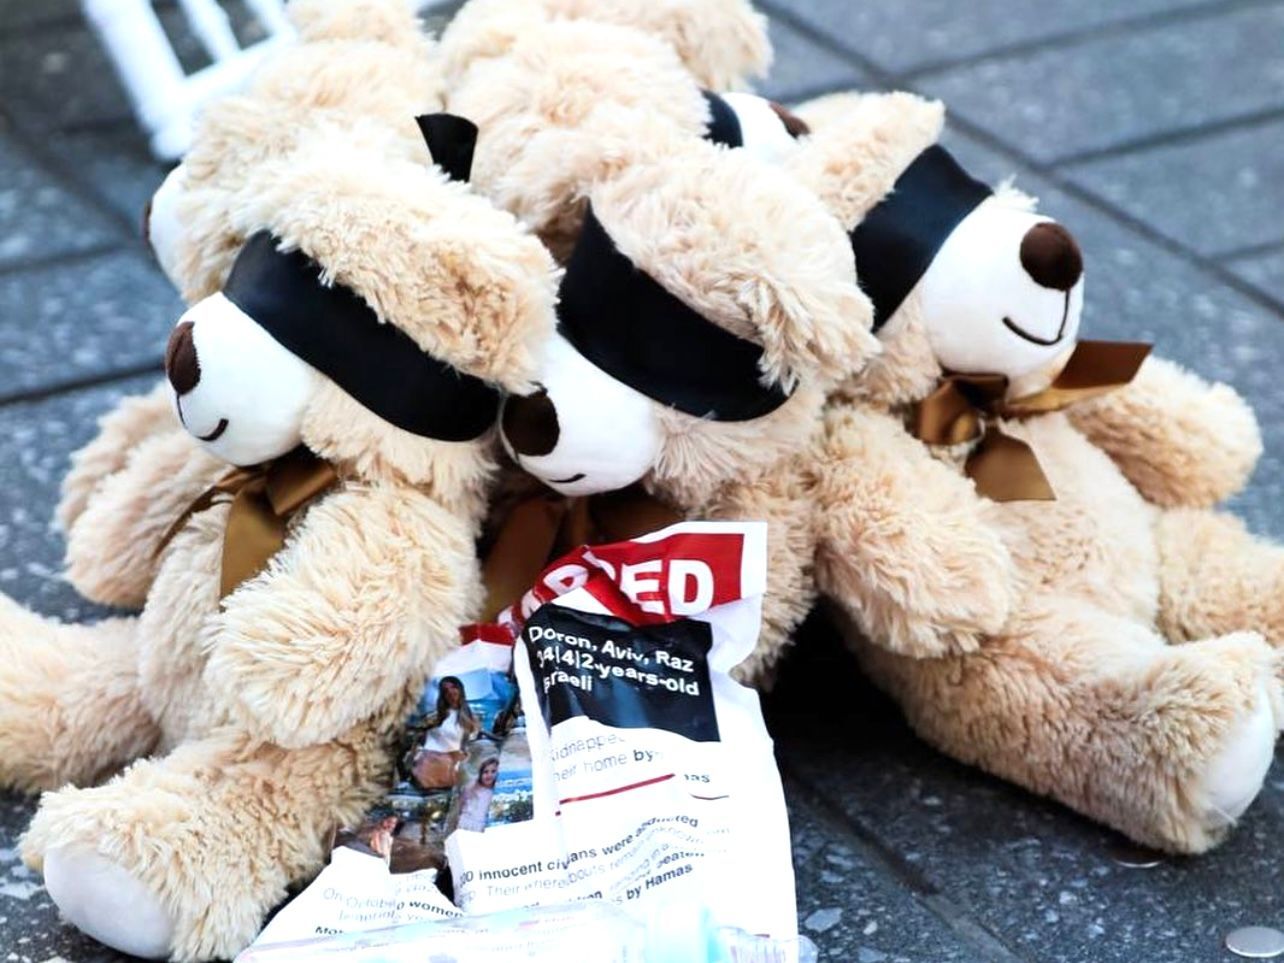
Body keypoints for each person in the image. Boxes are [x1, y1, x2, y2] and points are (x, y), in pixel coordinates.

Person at [411, 676, 480, 789]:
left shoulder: (472, 718)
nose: (450, 692)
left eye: (453, 687)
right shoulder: (434, 718)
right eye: (445, 690)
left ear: (460, 690)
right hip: (432, 761)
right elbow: (419, 736)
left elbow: (473, 742)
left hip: (456, 762)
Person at [456, 758, 499, 833]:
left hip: (480, 826)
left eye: (493, 771)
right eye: (485, 772)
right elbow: (460, 804)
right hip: (465, 822)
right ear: (480, 774)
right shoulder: (472, 787)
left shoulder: (495, 791)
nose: (489, 775)